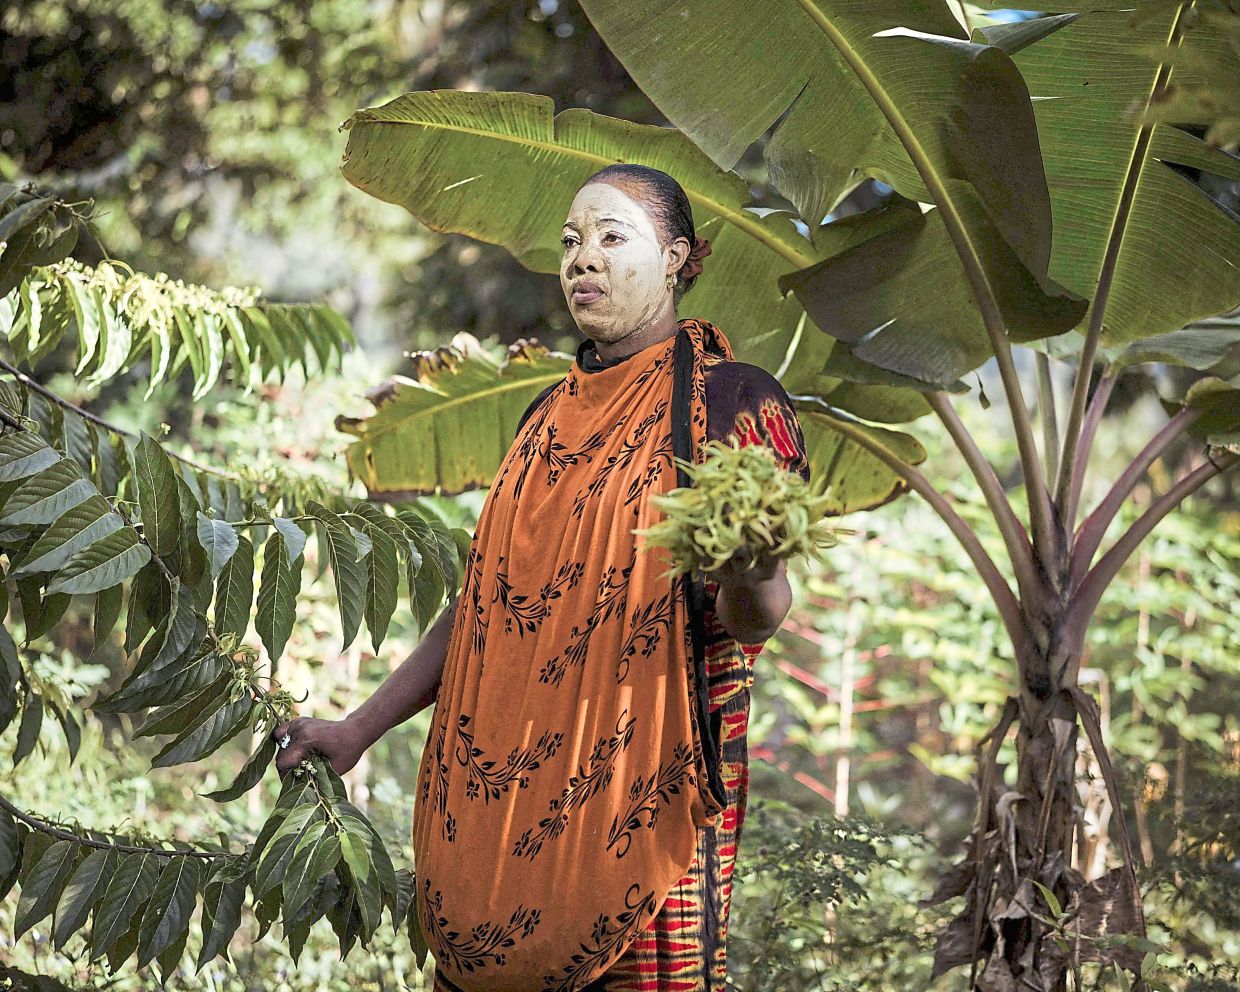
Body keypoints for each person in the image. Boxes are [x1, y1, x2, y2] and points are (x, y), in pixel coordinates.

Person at [271, 164, 812, 992]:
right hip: (502, 809)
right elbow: (486, 610)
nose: (582, 259)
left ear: (677, 258)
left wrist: (757, 566)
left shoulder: (730, 402)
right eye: (570, 241)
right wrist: (358, 730)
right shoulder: (544, 420)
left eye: (611, 237)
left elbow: (755, 618)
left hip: (643, 804)